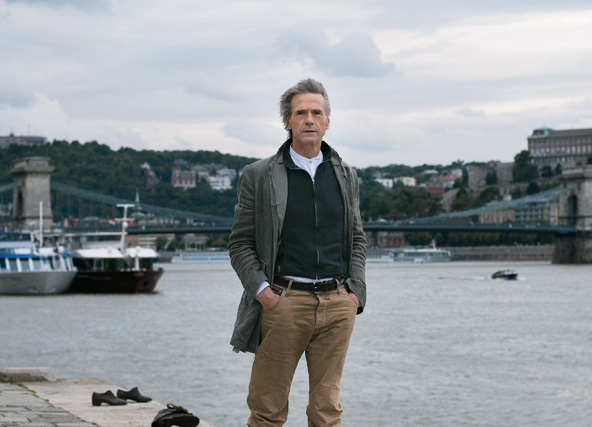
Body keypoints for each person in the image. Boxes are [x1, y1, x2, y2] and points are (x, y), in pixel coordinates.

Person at [228, 78, 367, 427]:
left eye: (316, 113)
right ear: (287, 121)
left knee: (327, 412)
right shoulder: (259, 175)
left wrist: (355, 292)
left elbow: (357, 239)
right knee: (267, 411)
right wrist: (263, 292)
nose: (309, 119)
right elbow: (240, 243)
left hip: (338, 304)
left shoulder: (346, 175)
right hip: (284, 303)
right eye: (300, 113)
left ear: (327, 122)